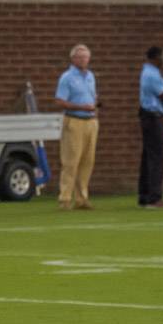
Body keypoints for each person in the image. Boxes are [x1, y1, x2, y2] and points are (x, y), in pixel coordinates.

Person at [54, 44, 98, 210]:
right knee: (71, 161)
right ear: (73, 59)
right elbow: (59, 101)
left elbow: (93, 96)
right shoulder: (67, 77)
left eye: (85, 57)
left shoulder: (90, 76)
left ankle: (82, 198)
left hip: (91, 121)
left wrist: (94, 108)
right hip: (74, 121)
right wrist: (80, 107)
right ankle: (65, 198)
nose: (83, 60)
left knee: (88, 161)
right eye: (79, 57)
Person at [138, 47, 163, 209]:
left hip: (148, 117)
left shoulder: (147, 72)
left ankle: (144, 196)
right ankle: (155, 198)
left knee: (148, 157)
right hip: (153, 117)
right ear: (156, 58)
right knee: (157, 158)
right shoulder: (152, 74)